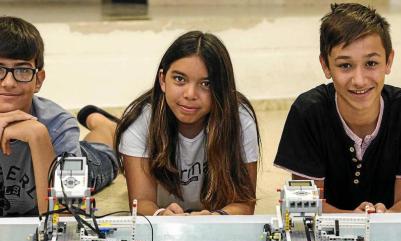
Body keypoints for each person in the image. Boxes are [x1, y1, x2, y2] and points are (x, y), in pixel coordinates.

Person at [274, 3, 401, 213]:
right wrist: (355, 221)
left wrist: (385, 217)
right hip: (326, 238)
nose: (360, 80)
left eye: (371, 63)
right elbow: (307, 207)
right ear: (325, 66)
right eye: (345, 65)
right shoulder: (307, 113)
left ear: (389, 61)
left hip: (390, 232)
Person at [116, 31, 260, 216]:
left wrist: (218, 217)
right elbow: (141, 203)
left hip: (209, 213)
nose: (190, 94)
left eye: (206, 84)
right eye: (179, 79)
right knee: (106, 143)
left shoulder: (240, 120)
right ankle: (102, 123)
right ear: (162, 80)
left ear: (221, 87)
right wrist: (160, 214)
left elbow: (244, 204)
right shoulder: (139, 119)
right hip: (136, 130)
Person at [0, 16, 119, 216]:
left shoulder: (59, 126)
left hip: (65, 156)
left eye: (22, 70)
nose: (9, 82)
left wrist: (38, 136)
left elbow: (65, 214)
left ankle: (104, 126)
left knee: (103, 156)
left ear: (38, 80)